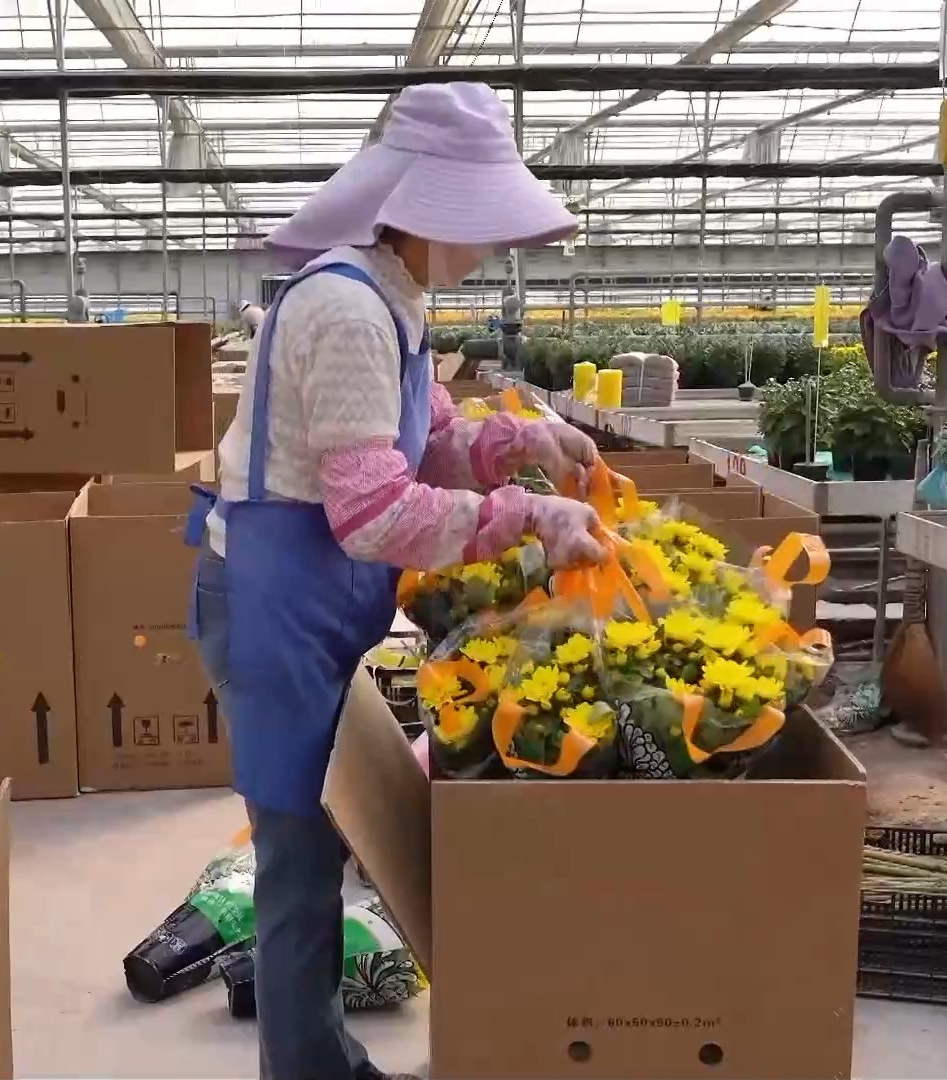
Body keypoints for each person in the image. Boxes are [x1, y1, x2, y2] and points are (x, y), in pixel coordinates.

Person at [185, 82, 608, 1080]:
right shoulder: (347, 312)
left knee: (321, 843)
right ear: (424, 210)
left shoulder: (392, 299)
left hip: (312, 596)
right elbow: (374, 512)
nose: (490, 245)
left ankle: (320, 1058)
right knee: (298, 862)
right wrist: (527, 519)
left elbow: (430, 443)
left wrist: (525, 442)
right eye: (480, 221)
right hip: (275, 606)